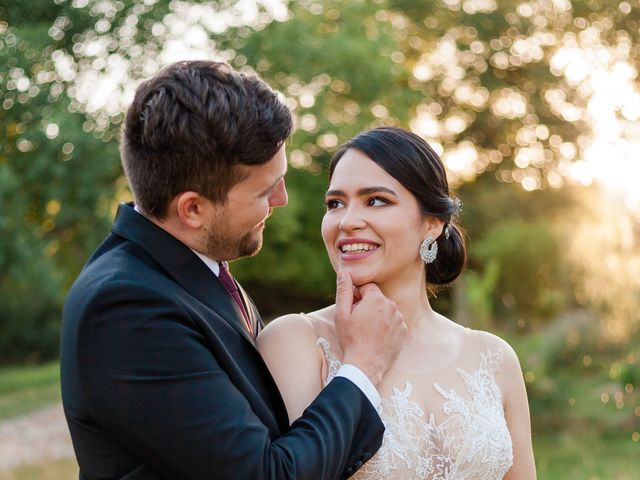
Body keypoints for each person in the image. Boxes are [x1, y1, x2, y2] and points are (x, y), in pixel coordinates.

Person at [60, 60, 408, 479]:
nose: (281, 199)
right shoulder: (125, 307)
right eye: (265, 189)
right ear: (193, 209)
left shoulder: (194, 271)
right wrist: (364, 363)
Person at [257, 127, 537, 479]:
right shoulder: (295, 341)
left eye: (376, 200)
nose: (347, 221)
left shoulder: (494, 358)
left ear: (432, 224)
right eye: (335, 204)